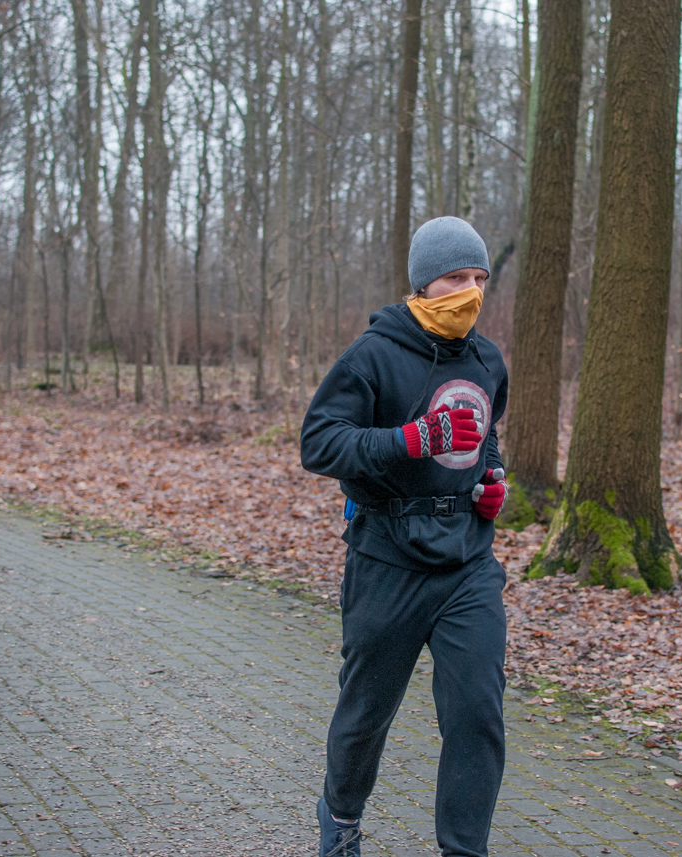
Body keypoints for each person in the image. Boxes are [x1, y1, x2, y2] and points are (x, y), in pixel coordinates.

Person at [300, 216, 510, 857]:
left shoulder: (487, 359)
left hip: (467, 562)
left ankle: (463, 849)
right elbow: (320, 443)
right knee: (366, 714)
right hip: (387, 556)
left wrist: (493, 480)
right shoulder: (373, 355)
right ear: (424, 284)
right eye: (456, 278)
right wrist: (412, 439)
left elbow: (485, 435)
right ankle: (340, 817)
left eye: (479, 278)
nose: (470, 292)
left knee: (477, 713)